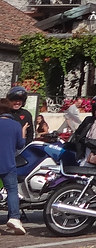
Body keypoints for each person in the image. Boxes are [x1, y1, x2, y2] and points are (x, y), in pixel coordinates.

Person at [0, 97, 27, 234]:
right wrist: (22, 133)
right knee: (12, 191)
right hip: (8, 164)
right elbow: (20, 145)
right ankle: (14, 218)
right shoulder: (15, 125)